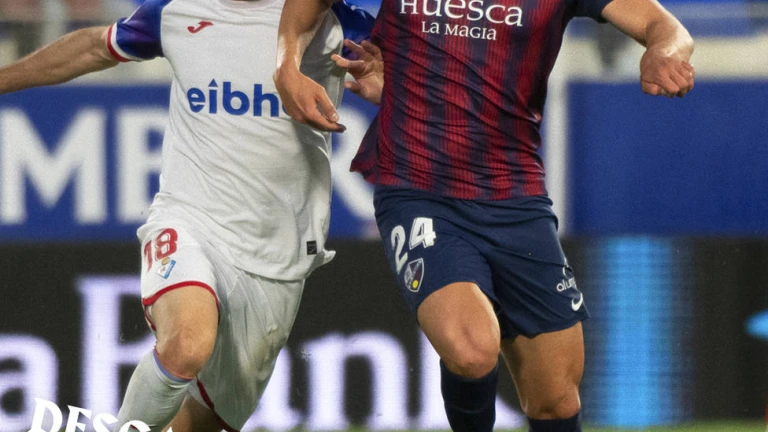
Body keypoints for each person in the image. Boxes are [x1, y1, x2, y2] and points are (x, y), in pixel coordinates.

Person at [274, 0, 695, 430]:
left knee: (555, 399)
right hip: (418, 189)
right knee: (472, 349)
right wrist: (286, 65)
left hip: (517, 199)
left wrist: (663, 51)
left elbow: (662, 24)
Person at [0, 0, 374, 430]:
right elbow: (94, 47)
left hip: (278, 253)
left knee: (205, 422)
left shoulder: (335, 21)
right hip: (191, 219)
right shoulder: (177, 11)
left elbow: (417, 77)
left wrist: (390, 86)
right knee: (187, 345)